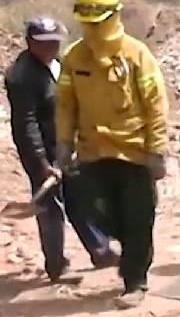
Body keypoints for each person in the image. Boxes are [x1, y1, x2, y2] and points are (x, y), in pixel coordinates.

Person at [56, 0, 169, 309]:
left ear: (114, 17)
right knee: (93, 209)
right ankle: (126, 249)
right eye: (87, 24)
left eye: (99, 23)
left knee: (139, 217)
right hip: (93, 153)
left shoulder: (137, 55)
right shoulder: (74, 58)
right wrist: (64, 144)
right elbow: (65, 105)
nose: (93, 31)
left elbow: (155, 105)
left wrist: (157, 150)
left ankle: (135, 281)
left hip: (133, 153)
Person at [5, 17, 117, 283]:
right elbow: (26, 124)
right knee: (50, 207)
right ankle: (56, 266)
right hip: (41, 151)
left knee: (79, 198)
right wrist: (42, 163)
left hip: (65, 145)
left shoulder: (59, 65)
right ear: (31, 43)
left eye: (56, 42)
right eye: (47, 44)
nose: (53, 47)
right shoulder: (21, 77)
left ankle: (100, 251)